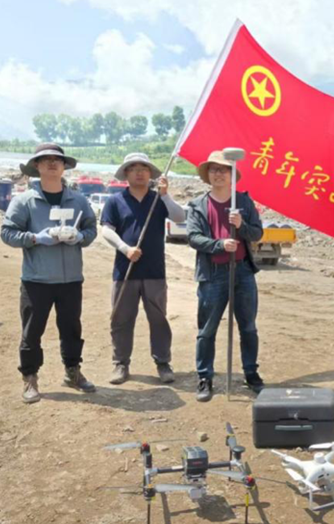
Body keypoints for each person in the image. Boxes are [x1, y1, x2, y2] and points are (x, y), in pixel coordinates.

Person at [1, 143, 98, 404]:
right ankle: (30, 378)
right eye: (46, 159)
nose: (52, 163)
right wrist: (35, 238)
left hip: (71, 280)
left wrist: (80, 236)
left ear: (64, 165)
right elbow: (7, 233)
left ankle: (72, 371)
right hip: (37, 280)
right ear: (37, 166)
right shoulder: (25, 201)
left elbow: (91, 229)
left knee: (71, 328)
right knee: (32, 332)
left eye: (58, 159)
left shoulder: (78, 200)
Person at [100, 153, 186, 385]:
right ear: (126, 173)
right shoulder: (115, 201)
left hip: (155, 271)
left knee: (158, 319)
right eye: (133, 168)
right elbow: (106, 230)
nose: (139, 172)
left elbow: (180, 217)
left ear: (150, 173)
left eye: (144, 168)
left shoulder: (158, 200)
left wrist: (165, 195)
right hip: (124, 271)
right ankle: (120, 363)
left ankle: (163, 362)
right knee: (121, 319)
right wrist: (125, 248)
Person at [186, 150, 265, 402]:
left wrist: (241, 225)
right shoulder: (198, 205)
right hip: (212, 274)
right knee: (207, 329)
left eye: (223, 169)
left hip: (242, 271)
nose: (218, 174)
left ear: (232, 174)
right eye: (214, 169)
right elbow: (193, 237)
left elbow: (257, 234)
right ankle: (204, 377)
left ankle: (251, 373)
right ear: (208, 174)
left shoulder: (244, 202)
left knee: (248, 326)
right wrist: (219, 245)